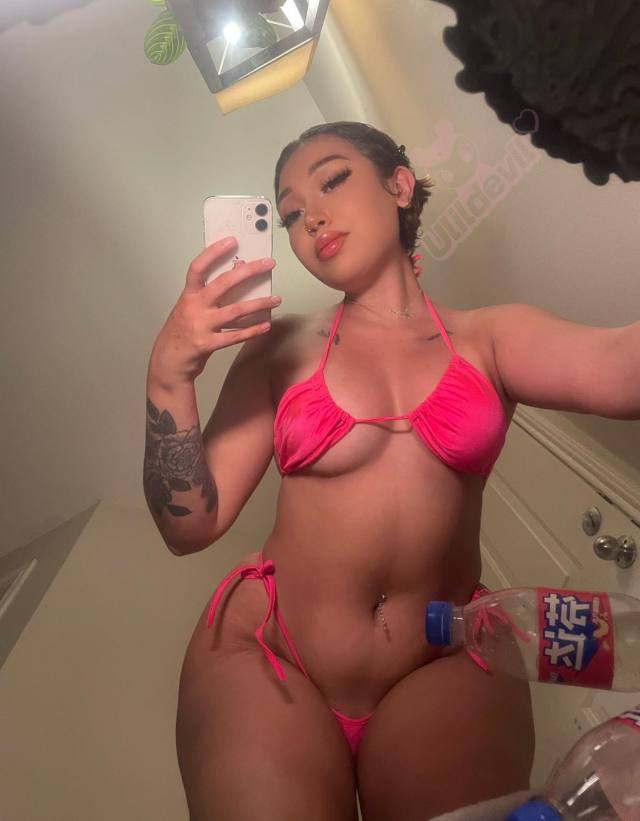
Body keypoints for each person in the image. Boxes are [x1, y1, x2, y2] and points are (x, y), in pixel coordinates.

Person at [144, 121, 535, 821]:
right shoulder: (280, 347)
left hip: (444, 655)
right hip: (269, 656)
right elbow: (189, 527)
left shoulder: (491, 336)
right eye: (290, 215)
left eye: (332, 180)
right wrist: (168, 377)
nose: (311, 218)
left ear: (399, 185)